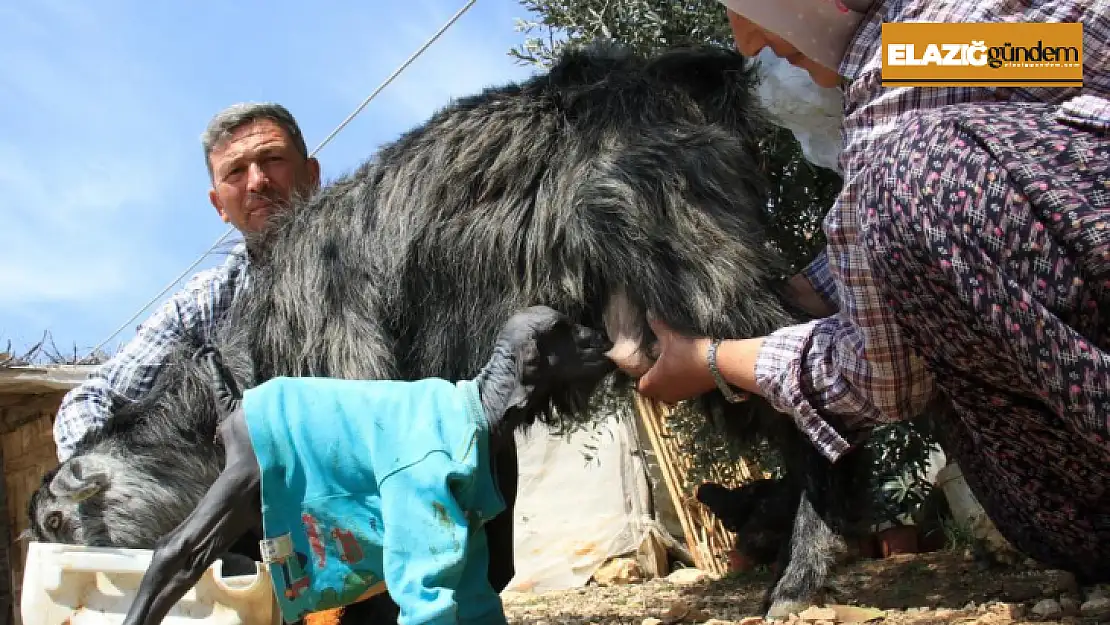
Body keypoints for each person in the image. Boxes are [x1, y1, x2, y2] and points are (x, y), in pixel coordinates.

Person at [635, 0, 1110, 582]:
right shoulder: (968, 39)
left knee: (916, 179)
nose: (748, 42)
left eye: (750, 9)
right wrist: (808, 289)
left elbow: (885, 382)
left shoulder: (907, 84)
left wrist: (712, 359)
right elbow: (1027, 140)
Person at [53, 102, 322, 461]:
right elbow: (93, 397)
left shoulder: (373, 252)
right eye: (235, 172)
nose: (257, 181)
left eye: (272, 159)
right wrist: (95, 476)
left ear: (312, 174)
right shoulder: (205, 302)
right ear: (219, 206)